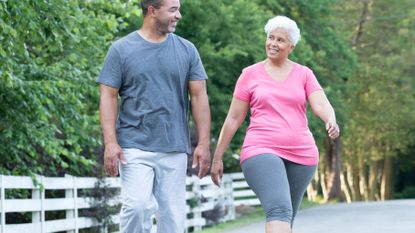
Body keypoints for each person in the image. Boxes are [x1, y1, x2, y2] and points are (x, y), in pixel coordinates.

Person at [210, 15, 340, 233]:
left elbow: (320, 102)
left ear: (291, 46)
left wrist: (331, 119)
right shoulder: (249, 75)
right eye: (271, 38)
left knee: (286, 217)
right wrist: (217, 157)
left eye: (280, 40)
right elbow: (234, 118)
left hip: (302, 154)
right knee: (279, 211)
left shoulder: (304, 74)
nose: (273, 44)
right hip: (261, 149)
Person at [98, 0, 211, 232]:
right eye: (172, 10)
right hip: (134, 146)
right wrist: (110, 143)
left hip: (174, 146)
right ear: (152, 11)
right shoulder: (121, 49)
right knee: (137, 206)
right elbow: (108, 96)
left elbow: (199, 97)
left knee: (171, 217)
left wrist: (204, 143)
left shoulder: (187, 50)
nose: (178, 15)